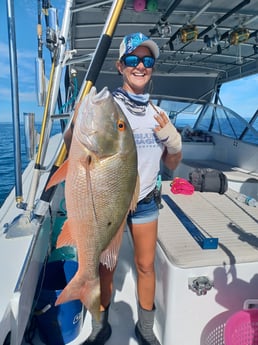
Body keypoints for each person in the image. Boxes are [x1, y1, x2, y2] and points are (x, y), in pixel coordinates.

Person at [65, 32, 182, 345]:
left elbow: (172, 164)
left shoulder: (159, 115)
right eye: (133, 60)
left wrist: (174, 141)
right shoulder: (105, 106)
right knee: (106, 266)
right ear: (120, 66)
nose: (140, 66)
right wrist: (74, 127)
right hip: (108, 199)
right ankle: (98, 325)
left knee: (145, 266)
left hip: (143, 201)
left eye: (147, 60)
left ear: (153, 67)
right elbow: (73, 149)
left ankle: (145, 329)